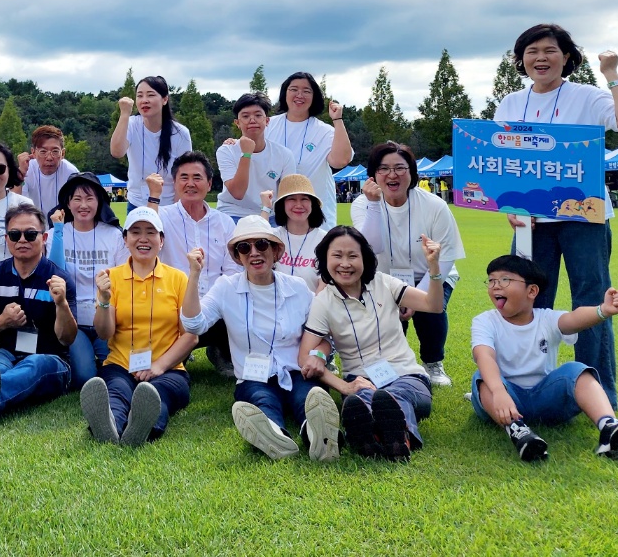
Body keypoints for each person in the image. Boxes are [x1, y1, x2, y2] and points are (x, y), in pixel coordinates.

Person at [494, 23, 618, 407]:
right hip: (530, 222)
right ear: (521, 60)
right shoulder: (509, 103)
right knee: (524, 300)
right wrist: (507, 205)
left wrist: (612, 74)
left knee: (591, 301)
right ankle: (526, 383)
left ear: (567, 57)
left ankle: (597, 391)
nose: (540, 58)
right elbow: (500, 167)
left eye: (550, 50)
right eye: (531, 52)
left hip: (584, 217)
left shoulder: (588, 96)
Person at [182, 216, 338, 460]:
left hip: (297, 370)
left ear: (275, 251)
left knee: (307, 398)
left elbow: (327, 333)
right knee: (261, 400)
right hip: (254, 377)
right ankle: (275, 435)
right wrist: (194, 275)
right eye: (244, 247)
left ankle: (317, 435)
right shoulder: (226, 288)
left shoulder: (297, 288)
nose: (254, 252)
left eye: (262, 245)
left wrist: (318, 356)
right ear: (238, 256)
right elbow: (193, 324)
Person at [471, 255, 618, 462]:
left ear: (532, 291)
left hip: (547, 398)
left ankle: (609, 427)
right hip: (504, 401)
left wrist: (603, 311)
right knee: (483, 377)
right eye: (491, 280)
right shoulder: (485, 321)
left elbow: (573, 319)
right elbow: (484, 355)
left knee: (577, 371)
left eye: (505, 280)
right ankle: (519, 432)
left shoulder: (547, 318)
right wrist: (499, 392)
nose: (495, 286)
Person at [299, 226, 445, 461]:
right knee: (362, 398)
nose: (344, 264)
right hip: (359, 381)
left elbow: (433, 305)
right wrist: (344, 387)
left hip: (407, 376)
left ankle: (385, 436)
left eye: (352, 256)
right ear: (325, 260)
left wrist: (434, 268)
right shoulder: (323, 302)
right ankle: (389, 439)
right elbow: (305, 356)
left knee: (395, 395)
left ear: (365, 258)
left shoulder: (384, 283)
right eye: (337, 256)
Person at [351, 142, 466, 387]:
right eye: (383, 168)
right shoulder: (362, 204)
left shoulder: (434, 205)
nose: (392, 174)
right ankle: (391, 362)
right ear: (373, 175)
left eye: (400, 168)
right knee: (389, 321)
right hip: (384, 279)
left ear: (412, 172)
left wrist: (414, 297)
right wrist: (373, 205)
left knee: (430, 308)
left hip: (431, 274)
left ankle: (433, 362)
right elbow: (370, 248)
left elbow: (446, 256)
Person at [81, 207, 196, 446]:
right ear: (125, 239)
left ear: (161, 240)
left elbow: (190, 337)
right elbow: (105, 333)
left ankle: (143, 428)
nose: (143, 238)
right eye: (135, 232)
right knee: (116, 392)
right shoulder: (110, 277)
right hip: (121, 365)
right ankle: (110, 425)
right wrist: (103, 300)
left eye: (150, 232)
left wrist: (158, 367)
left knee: (158, 395)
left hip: (169, 369)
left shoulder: (178, 279)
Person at [0, 204, 77, 432]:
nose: (22, 239)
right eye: (15, 234)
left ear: (44, 237)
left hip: (50, 358)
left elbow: (67, 339)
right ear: (7, 239)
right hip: (7, 352)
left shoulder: (59, 279)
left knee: (34, 364)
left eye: (30, 234)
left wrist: (61, 304)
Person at [154, 152, 238, 377]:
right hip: (173, 306)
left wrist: (210, 305)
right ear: (175, 182)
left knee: (238, 301)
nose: (190, 183)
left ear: (209, 183)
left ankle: (221, 350)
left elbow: (231, 271)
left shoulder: (224, 222)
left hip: (215, 308)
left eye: (197, 177)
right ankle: (179, 351)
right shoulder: (162, 217)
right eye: (184, 177)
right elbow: (146, 249)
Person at [46, 171, 129, 387]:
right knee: (85, 377)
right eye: (77, 199)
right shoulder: (57, 233)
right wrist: (57, 231)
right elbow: (55, 271)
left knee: (116, 369)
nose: (84, 205)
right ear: (68, 203)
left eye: (89, 198)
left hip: (106, 316)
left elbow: (123, 277)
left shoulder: (113, 235)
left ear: (99, 201)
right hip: (74, 320)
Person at [267, 72, 353, 231]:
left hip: (315, 216)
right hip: (275, 215)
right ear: (284, 93)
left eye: (306, 91)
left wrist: (337, 120)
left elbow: (340, 160)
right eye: (293, 89)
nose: (299, 95)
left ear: (314, 97)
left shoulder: (324, 131)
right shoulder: (267, 125)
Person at [110, 75, 193, 210]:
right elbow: (116, 152)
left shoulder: (180, 133)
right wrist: (124, 114)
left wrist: (178, 211)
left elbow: (184, 174)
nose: (144, 100)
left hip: (168, 205)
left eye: (150, 95)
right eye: (140, 96)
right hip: (136, 204)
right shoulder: (131, 124)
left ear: (165, 99)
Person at [216, 92, 295, 221]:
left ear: (267, 120)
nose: (252, 120)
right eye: (245, 116)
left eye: (258, 115)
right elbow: (238, 193)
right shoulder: (226, 151)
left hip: (271, 216)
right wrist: (246, 154)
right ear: (237, 122)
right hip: (232, 213)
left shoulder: (284, 154)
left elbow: (287, 195)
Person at [270, 174, 328, 290]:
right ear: (282, 205)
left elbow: (326, 281)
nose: (299, 205)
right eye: (292, 199)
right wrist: (266, 208)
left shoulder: (325, 240)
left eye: (304, 199)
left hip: (313, 306)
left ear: (312, 204)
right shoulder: (273, 237)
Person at [19, 125, 80, 217]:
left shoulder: (71, 173)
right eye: (43, 152)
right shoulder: (27, 169)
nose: (49, 157)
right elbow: (15, 205)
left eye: (55, 151)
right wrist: (20, 173)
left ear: (62, 153)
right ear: (33, 152)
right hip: (32, 225)